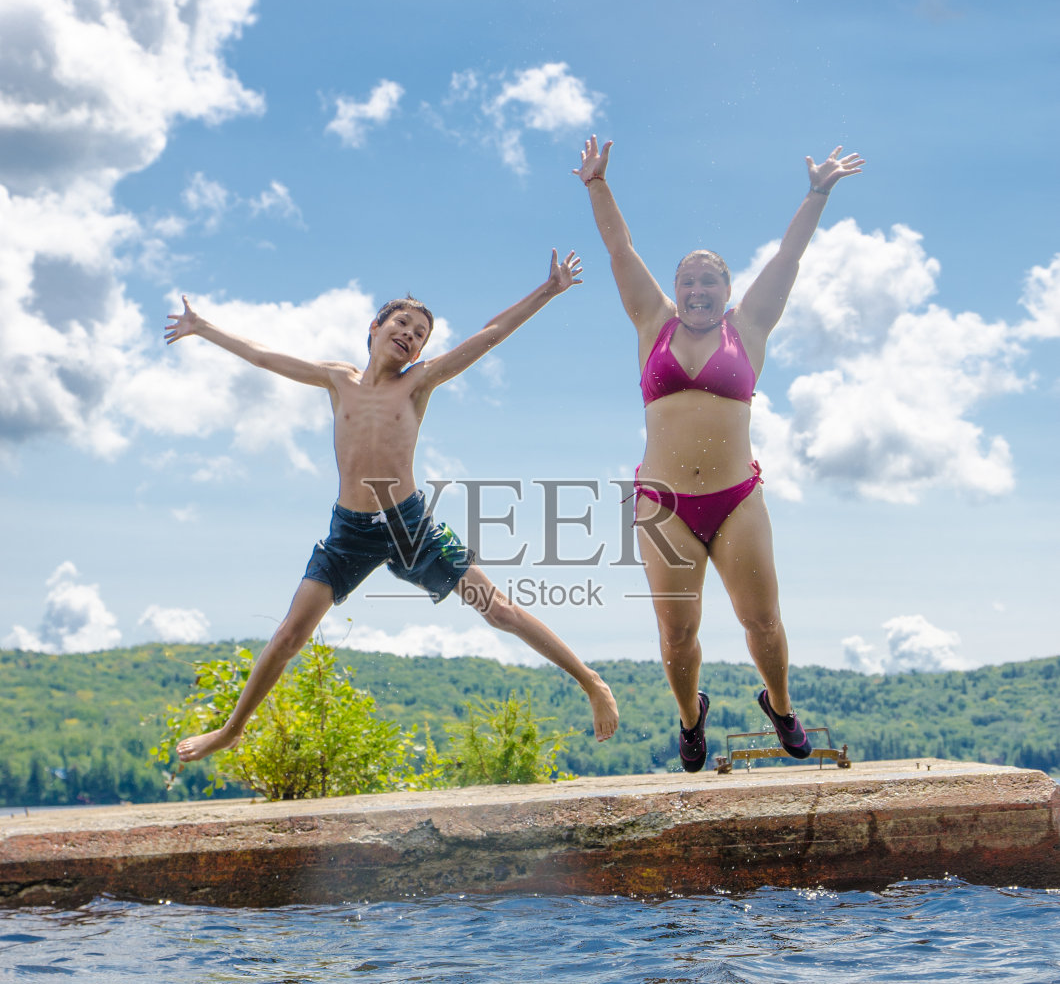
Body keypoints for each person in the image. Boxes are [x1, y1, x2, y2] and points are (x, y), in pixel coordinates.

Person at [163, 250, 619, 762]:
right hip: (349, 531)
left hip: (409, 525)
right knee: (291, 633)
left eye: (421, 333)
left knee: (500, 611)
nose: (410, 334)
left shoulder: (417, 383)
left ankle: (591, 681)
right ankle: (231, 729)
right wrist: (203, 327)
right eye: (402, 323)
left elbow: (488, 335)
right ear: (375, 328)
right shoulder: (337, 380)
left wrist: (548, 290)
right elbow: (265, 357)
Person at [574, 136, 864, 770]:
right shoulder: (654, 323)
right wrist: (597, 184)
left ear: (728, 291)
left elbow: (789, 256)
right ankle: (690, 718)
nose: (697, 287)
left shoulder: (750, 326)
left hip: (736, 500)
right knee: (678, 635)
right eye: (688, 279)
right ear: (676, 290)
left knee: (762, 624)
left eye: (709, 279)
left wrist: (816, 192)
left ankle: (781, 706)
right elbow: (620, 250)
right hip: (664, 504)